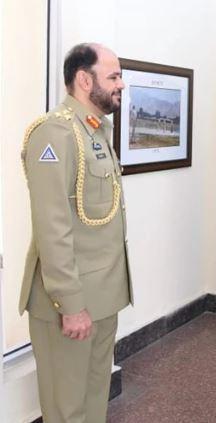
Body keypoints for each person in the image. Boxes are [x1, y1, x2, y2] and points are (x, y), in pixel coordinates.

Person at [19, 42, 131, 423]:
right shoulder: (55, 133)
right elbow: (53, 229)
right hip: (71, 304)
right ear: (85, 80)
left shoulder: (97, 132)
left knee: (94, 401)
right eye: (113, 76)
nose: (121, 84)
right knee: (67, 410)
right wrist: (71, 304)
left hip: (102, 297)